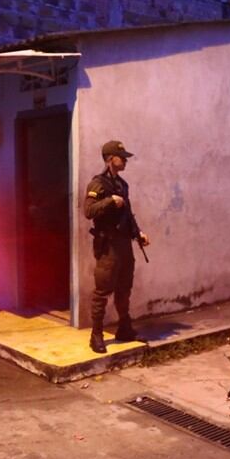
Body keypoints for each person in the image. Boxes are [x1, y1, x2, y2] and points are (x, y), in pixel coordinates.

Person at [83, 140, 150, 353]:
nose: (125, 161)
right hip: (108, 245)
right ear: (110, 158)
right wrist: (110, 201)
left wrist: (137, 233)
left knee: (124, 288)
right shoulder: (98, 184)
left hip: (123, 244)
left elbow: (127, 215)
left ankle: (124, 327)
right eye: (122, 157)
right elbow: (88, 211)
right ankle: (96, 335)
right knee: (102, 291)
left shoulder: (122, 185)